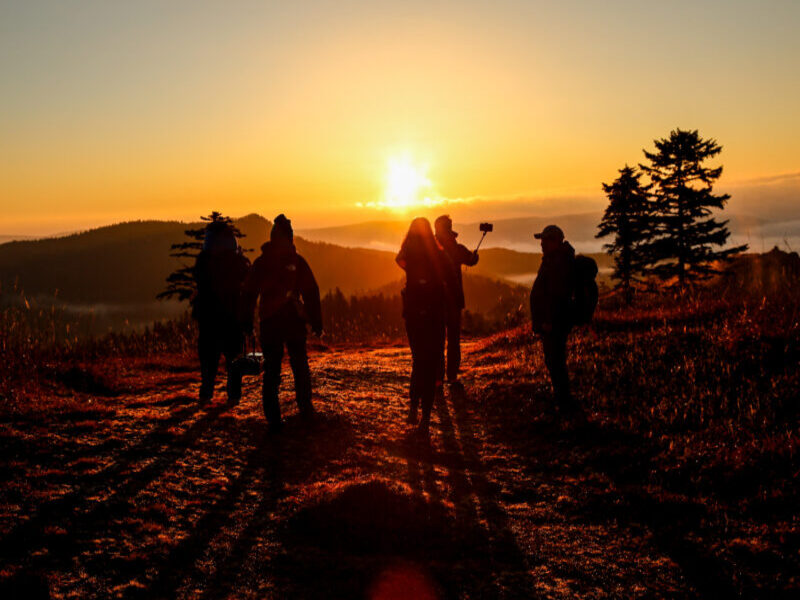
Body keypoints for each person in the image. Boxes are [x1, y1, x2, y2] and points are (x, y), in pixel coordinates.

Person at [241, 214, 322, 432]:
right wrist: (316, 322)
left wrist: (247, 323)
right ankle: (305, 410)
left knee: (272, 369)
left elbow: (249, 294)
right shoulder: (297, 262)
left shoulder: (261, 263)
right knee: (300, 365)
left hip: (269, 321)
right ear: (290, 238)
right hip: (294, 321)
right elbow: (311, 292)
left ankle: (273, 419)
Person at [396, 218, 449, 437]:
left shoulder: (407, 253)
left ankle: (413, 408)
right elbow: (447, 277)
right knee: (430, 363)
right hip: (434, 315)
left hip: (414, 315)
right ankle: (425, 417)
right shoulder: (437, 255)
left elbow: (399, 260)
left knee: (418, 361)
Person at [192, 220, 251, 403]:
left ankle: (206, 394)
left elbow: (199, 280)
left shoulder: (203, 261)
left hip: (208, 317)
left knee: (208, 359)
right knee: (234, 358)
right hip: (232, 317)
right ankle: (233, 396)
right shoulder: (238, 261)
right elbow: (247, 283)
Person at [530, 224, 576, 411]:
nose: (541, 244)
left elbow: (557, 295)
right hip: (554, 322)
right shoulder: (555, 259)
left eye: (545, 240)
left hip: (554, 323)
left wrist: (548, 320)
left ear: (555, 241)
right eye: (541, 240)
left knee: (555, 360)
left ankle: (563, 401)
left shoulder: (558, 263)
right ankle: (562, 398)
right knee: (554, 360)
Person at [434, 215, 479, 384]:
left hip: (436, 300)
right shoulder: (457, 249)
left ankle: (438, 377)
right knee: (453, 339)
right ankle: (452, 376)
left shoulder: (432, 249)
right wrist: (475, 256)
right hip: (454, 299)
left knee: (438, 339)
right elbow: (472, 260)